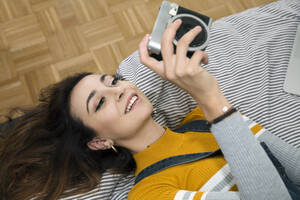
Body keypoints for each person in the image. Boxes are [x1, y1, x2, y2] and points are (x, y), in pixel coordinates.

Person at [0, 19, 298, 200]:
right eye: (100, 102)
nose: (119, 90)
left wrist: (213, 106)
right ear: (100, 142)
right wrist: (212, 100)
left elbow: (294, 168)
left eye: (113, 82)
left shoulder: (203, 118)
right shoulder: (149, 192)